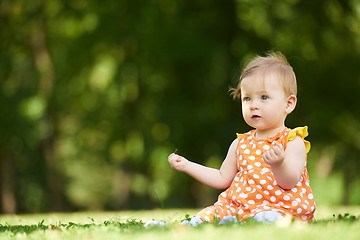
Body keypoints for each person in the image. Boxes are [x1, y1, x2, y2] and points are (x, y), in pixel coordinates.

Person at [167, 52, 316, 226]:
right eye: (247, 98)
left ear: (288, 104)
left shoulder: (292, 140)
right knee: (208, 216)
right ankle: (191, 225)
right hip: (239, 206)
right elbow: (222, 178)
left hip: (279, 207)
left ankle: (253, 221)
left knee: (268, 217)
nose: (253, 105)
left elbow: (289, 180)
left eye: (264, 97)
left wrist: (279, 164)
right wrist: (187, 165)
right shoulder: (240, 143)